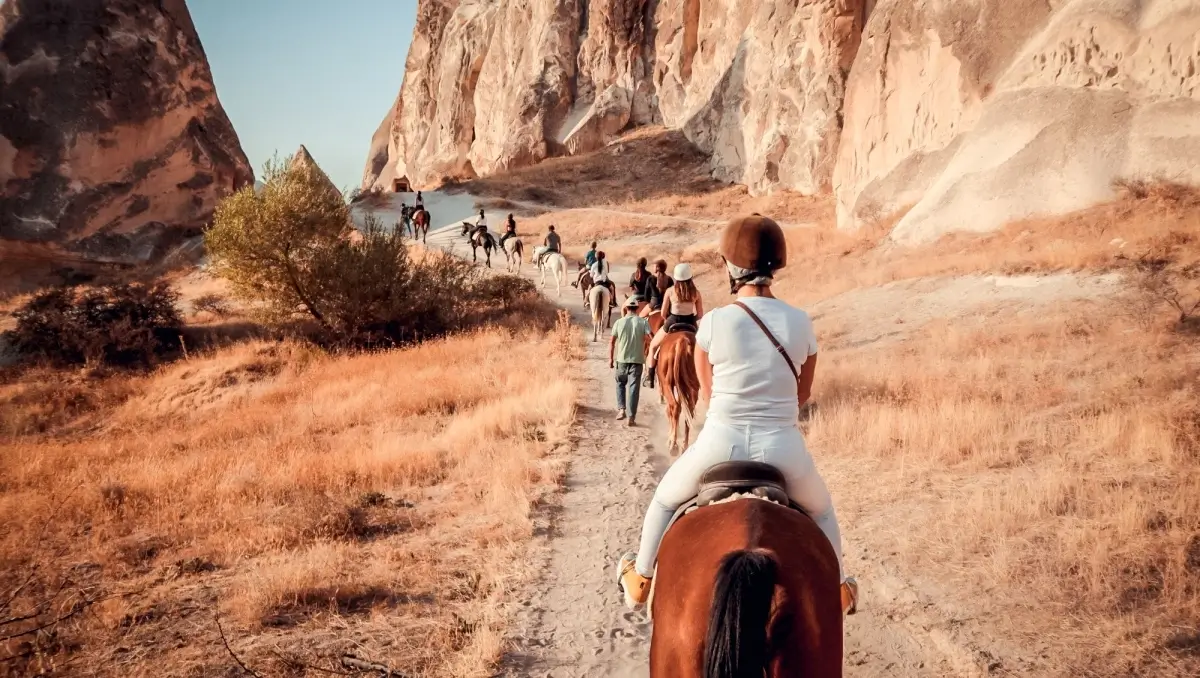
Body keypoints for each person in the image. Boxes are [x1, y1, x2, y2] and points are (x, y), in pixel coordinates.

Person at [616, 214, 858, 616]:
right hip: (783, 448)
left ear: (730, 266)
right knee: (822, 511)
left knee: (662, 501)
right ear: (776, 266)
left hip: (719, 444)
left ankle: (640, 580)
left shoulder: (713, 322)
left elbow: (707, 393)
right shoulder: (801, 322)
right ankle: (838, 591)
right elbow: (803, 393)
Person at [643, 262, 703, 389]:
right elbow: (700, 314)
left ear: (676, 277)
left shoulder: (670, 291)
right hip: (690, 323)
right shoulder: (696, 293)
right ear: (690, 276)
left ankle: (650, 377)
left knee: (653, 346)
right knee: (704, 349)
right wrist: (691, 319)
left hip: (673, 321)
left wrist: (668, 319)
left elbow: (664, 313)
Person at [610, 296, 651, 426]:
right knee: (634, 388)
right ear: (637, 308)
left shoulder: (618, 322)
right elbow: (650, 338)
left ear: (626, 308)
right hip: (637, 360)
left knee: (620, 383)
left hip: (621, 359)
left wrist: (610, 358)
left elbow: (612, 342)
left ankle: (622, 409)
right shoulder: (643, 322)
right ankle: (631, 417)